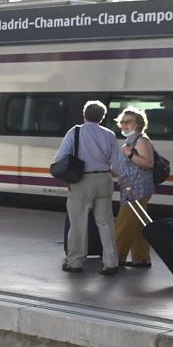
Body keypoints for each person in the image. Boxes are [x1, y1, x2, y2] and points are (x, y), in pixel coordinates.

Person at [56, 101, 120, 275]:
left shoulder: (75, 132)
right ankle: (111, 262)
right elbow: (117, 162)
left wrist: (67, 179)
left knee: (78, 222)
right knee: (106, 222)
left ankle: (75, 262)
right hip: (105, 179)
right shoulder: (109, 135)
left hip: (82, 180)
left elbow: (60, 157)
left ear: (84, 114)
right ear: (102, 117)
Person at [112, 108, 156, 269]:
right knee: (137, 225)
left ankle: (115, 258)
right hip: (132, 188)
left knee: (123, 224)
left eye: (128, 122)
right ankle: (141, 257)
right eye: (122, 122)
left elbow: (148, 163)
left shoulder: (141, 140)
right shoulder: (132, 140)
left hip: (137, 189)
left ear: (138, 124)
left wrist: (129, 154)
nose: (124, 125)